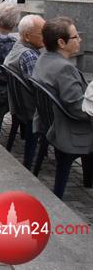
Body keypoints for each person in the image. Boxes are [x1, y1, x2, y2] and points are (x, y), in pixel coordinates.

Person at [31, 17, 92, 198]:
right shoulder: (64, 68)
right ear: (61, 43)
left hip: (50, 123)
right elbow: (77, 108)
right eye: (75, 37)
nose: (80, 39)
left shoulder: (44, 58)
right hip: (68, 130)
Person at [4, 14, 45, 79]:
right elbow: (37, 84)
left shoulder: (17, 45)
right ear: (27, 36)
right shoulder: (29, 55)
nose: (46, 37)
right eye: (42, 34)